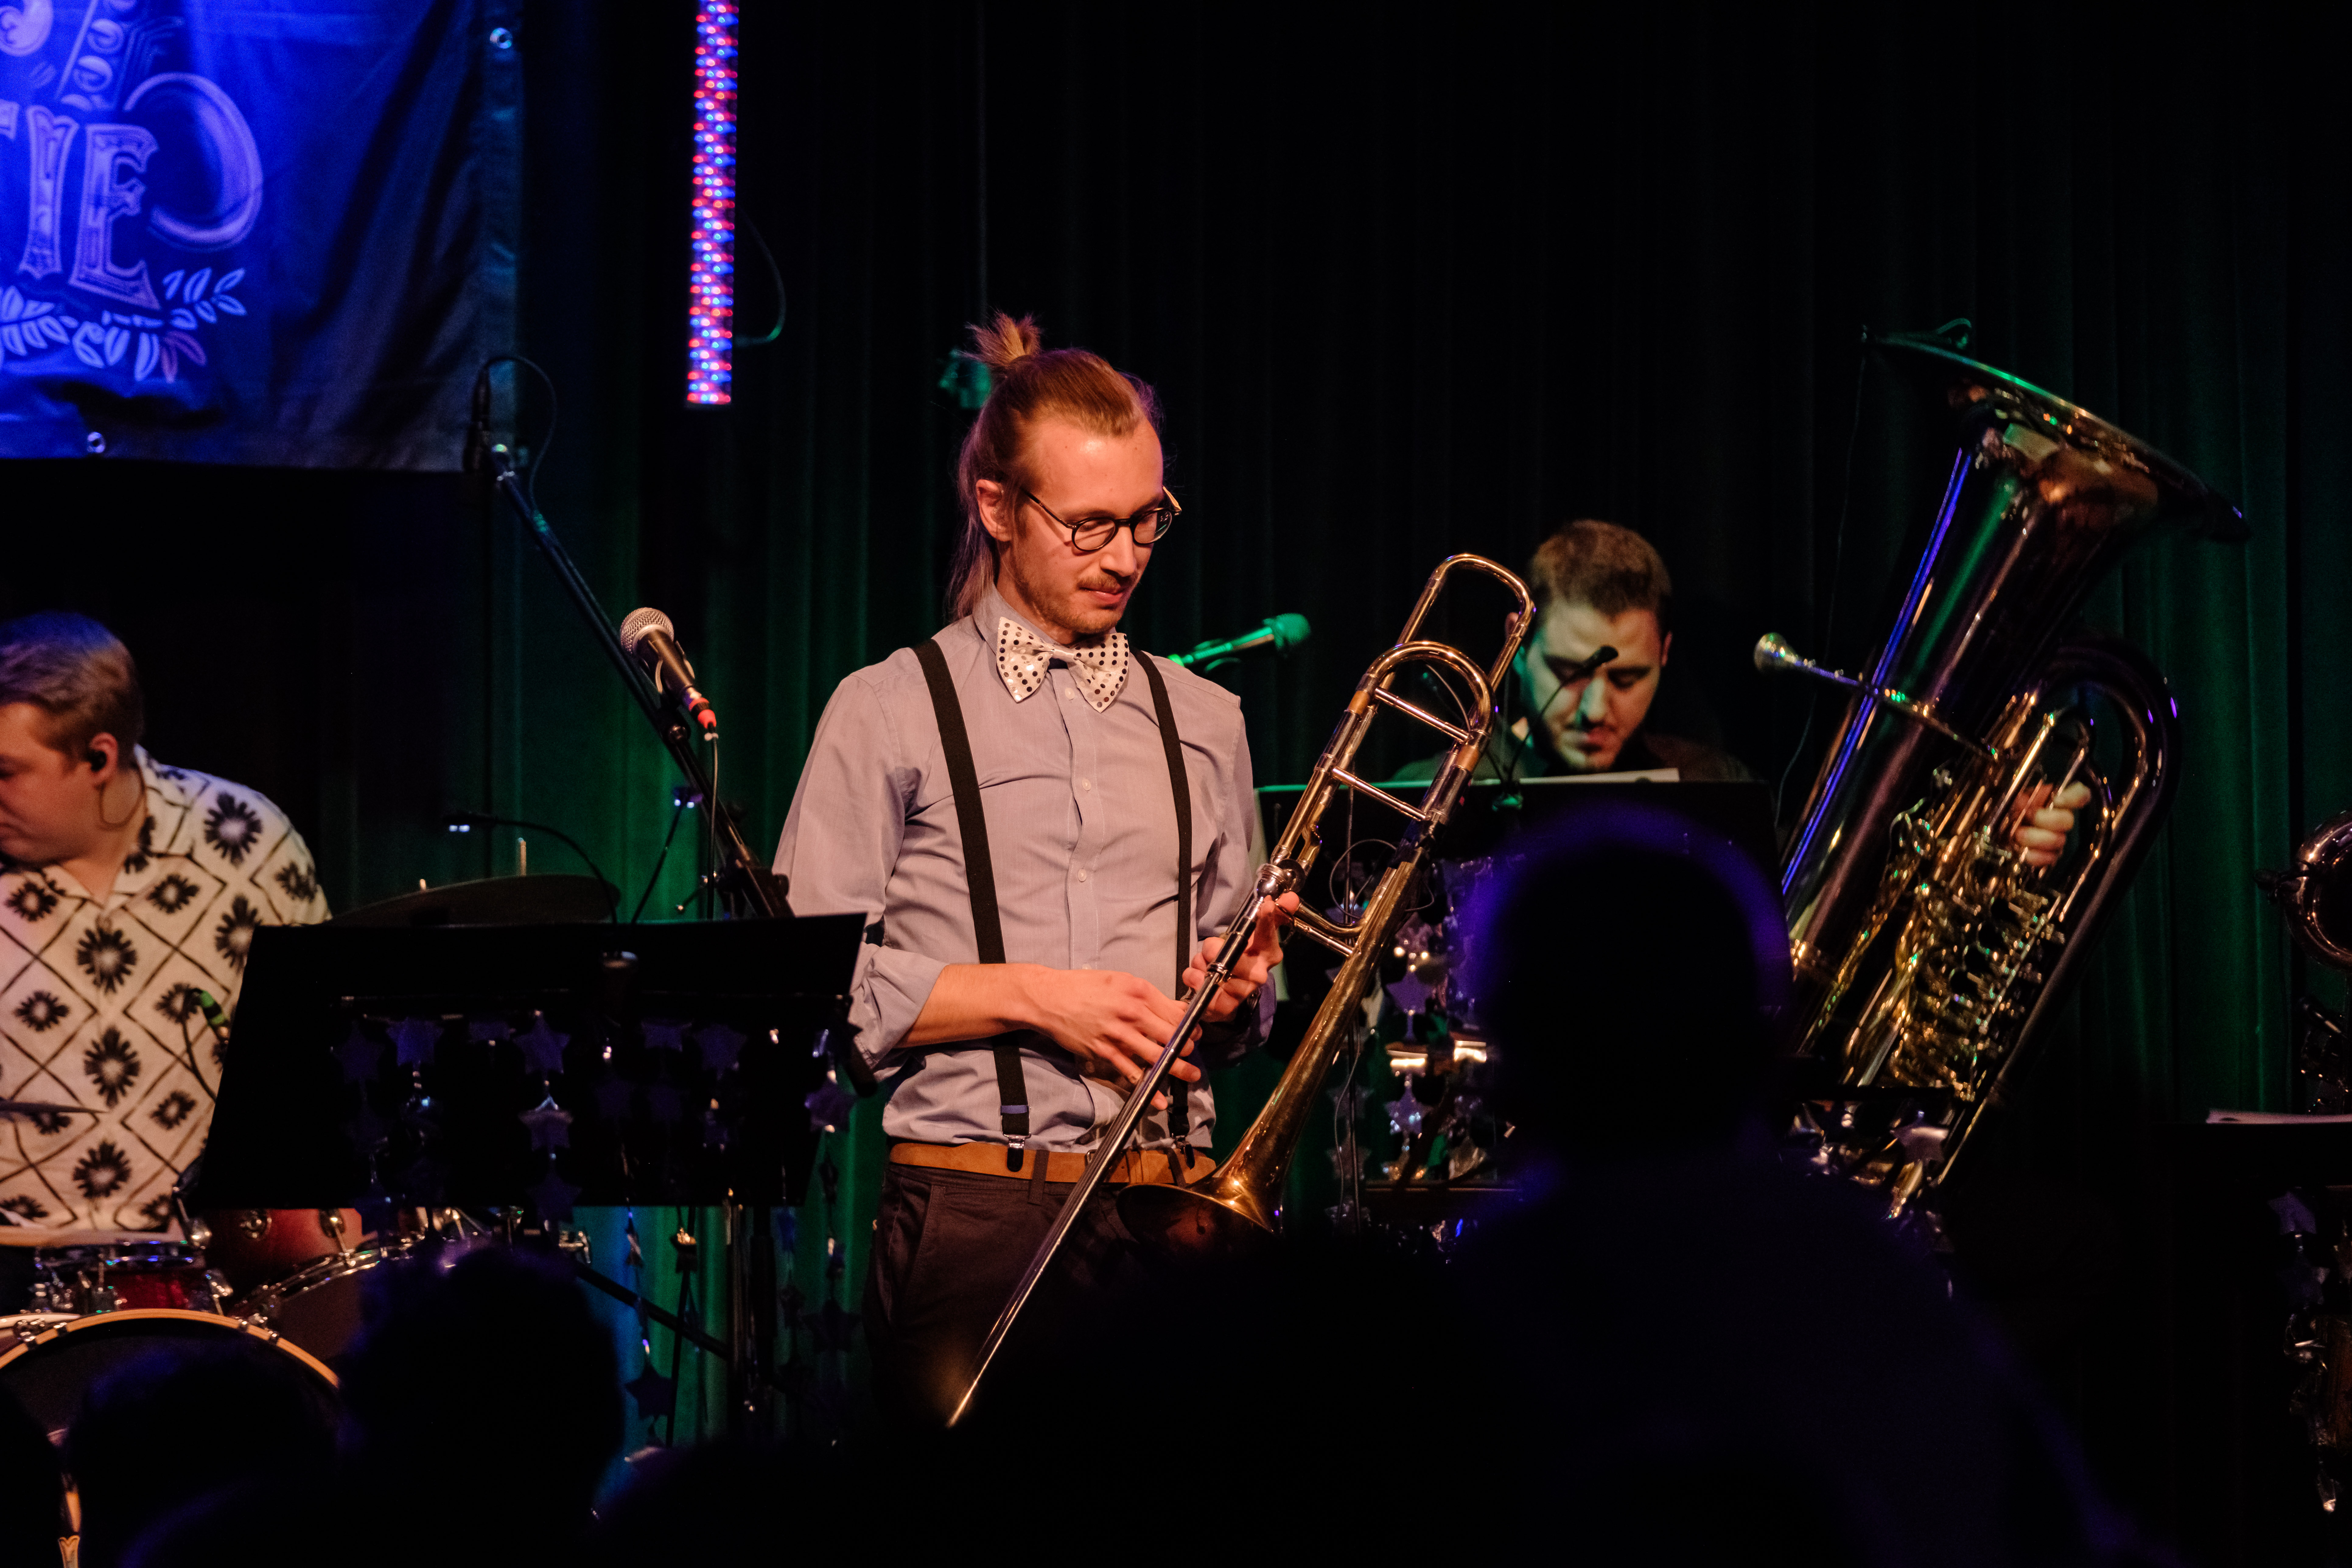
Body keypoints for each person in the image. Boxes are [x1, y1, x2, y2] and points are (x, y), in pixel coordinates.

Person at [772, 313, 1291, 1426]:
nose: (1125, 557)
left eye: (1146, 520)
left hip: (1168, 1211)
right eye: (1089, 524)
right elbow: (806, 988)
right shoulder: (889, 708)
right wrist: (1035, 997)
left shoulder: (1208, 722)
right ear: (998, 508)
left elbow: (1233, 1010)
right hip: (974, 1211)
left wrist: (1237, 991)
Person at [0, 613, 329, 1231]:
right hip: (13, 1263)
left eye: (5, 773)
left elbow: (318, 1067)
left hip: (208, 1259)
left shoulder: (246, 843)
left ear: (99, 757)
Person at [1397, 518, 1750, 784]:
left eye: (1627, 678)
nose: (1594, 711)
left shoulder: (1716, 783)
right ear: (1517, 644)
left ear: (1664, 653)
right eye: (1570, 673)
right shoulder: (1430, 791)